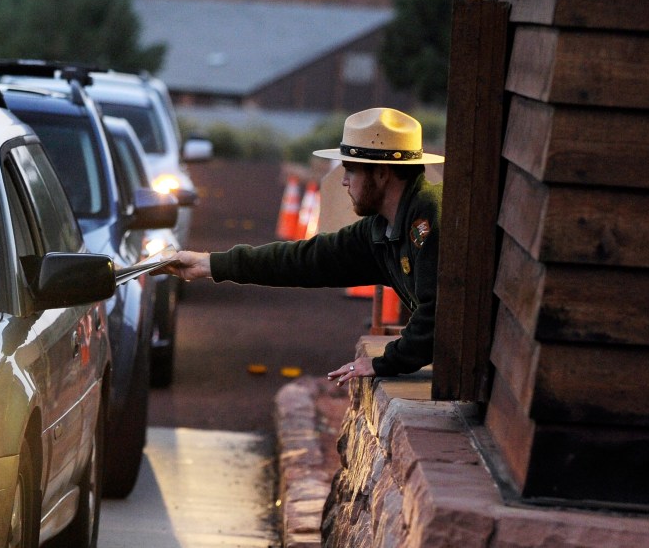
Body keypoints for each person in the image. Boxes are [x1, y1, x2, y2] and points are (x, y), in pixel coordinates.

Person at [158, 107, 443, 385]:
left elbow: (439, 311)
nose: (343, 181)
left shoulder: (429, 218)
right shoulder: (382, 227)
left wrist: (387, 361)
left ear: (382, 174)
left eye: (351, 170)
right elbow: (306, 260)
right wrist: (209, 264)